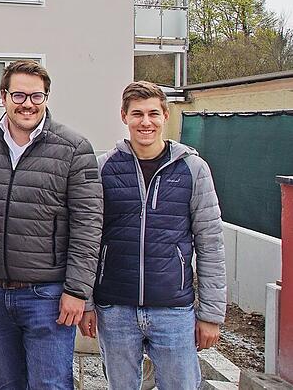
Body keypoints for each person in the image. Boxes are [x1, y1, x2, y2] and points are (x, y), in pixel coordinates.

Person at [78, 81, 226, 389]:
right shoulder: (103, 169)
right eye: (137, 114)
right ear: (124, 117)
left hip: (173, 309)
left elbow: (210, 243)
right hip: (115, 309)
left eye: (153, 114)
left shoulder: (193, 169)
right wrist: (87, 302)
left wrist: (211, 313)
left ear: (165, 116)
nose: (146, 122)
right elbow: (88, 239)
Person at [0, 59, 103, 389]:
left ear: (46, 98)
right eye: (19, 95)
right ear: (3, 97)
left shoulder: (73, 148)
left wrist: (77, 292)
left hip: (49, 299)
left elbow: (88, 225)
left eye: (37, 96)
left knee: (50, 385)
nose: (28, 103)